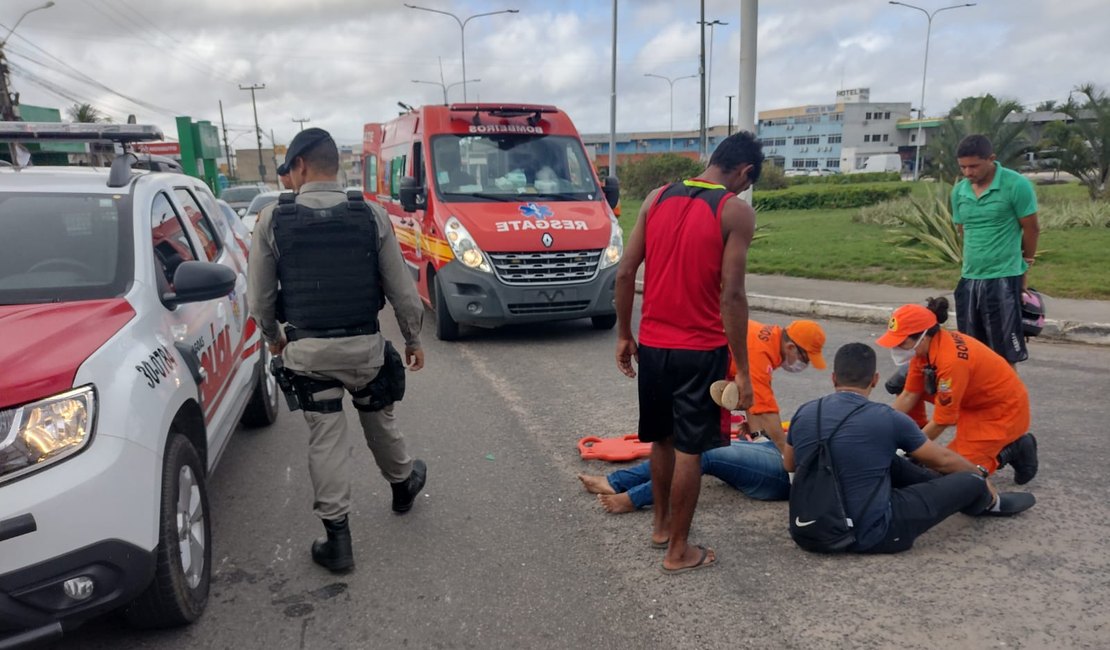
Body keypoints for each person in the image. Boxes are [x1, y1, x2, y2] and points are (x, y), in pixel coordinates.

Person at [247, 127, 427, 573]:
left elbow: (260, 299)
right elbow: (403, 292)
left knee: (326, 436)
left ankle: (338, 541)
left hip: (308, 352)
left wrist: (272, 336)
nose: (287, 180)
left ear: (302, 165)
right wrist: (412, 338)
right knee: (377, 415)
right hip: (364, 347)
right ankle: (403, 486)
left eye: (288, 171)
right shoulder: (369, 215)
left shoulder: (272, 219)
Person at [614, 130, 763, 574]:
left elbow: (624, 272)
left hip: (654, 346)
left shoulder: (655, 199)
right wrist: (745, 372)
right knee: (689, 450)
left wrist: (624, 333)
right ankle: (678, 551)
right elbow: (732, 296)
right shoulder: (735, 211)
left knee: (661, 439)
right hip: (701, 350)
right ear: (745, 172)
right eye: (747, 181)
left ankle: (661, 526)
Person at [783, 343, 1035, 554]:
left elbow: (790, 465)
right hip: (872, 533)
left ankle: (961, 486)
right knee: (968, 480)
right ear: (875, 380)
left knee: (891, 462)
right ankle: (990, 502)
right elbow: (944, 460)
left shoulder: (805, 412)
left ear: (834, 378)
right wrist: (979, 475)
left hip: (809, 529)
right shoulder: (885, 417)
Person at [578, 319, 827, 516]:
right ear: (792, 347)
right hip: (694, 378)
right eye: (805, 359)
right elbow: (765, 410)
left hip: (779, 469)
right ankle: (618, 484)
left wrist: (773, 445)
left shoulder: (764, 340)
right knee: (692, 452)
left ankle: (626, 492)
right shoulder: (761, 353)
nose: (802, 365)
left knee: (697, 453)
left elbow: (759, 405)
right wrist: (784, 453)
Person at [878, 297, 1039, 484]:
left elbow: (942, 420)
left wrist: (913, 448)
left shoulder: (950, 362)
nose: (896, 348)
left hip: (999, 412)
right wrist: (882, 429)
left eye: (901, 342)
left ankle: (1015, 448)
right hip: (969, 400)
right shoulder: (925, 350)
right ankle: (918, 435)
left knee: (954, 474)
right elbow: (909, 395)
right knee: (900, 383)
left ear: (922, 336)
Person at [951, 134, 1040, 366]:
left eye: (974, 166)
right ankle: (980, 402)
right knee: (970, 353)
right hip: (970, 279)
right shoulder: (959, 192)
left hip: (1002, 278)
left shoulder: (1015, 184)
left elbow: (1031, 229)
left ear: (991, 159)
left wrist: (1024, 266)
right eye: (963, 167)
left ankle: (1010, 401)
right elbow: (964, 231)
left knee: (1003, 357)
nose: (968, 172)